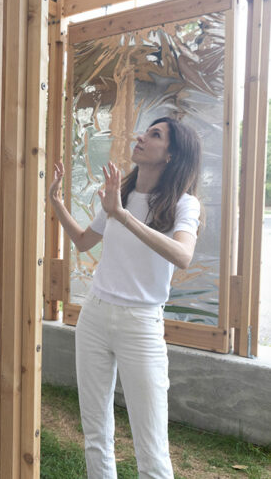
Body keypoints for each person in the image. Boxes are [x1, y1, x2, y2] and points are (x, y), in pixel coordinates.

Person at [49, 117, 202, 478]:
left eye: (155, 134)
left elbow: (182, 255)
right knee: (95, 434)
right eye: (146, 131)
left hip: (141, 325)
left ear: (171, 154)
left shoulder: (185, 204)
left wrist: (121, 215)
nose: (141, 137)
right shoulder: (122, 193)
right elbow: (83, 241)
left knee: (151, 448)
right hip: (95, 316)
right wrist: (55, 202)